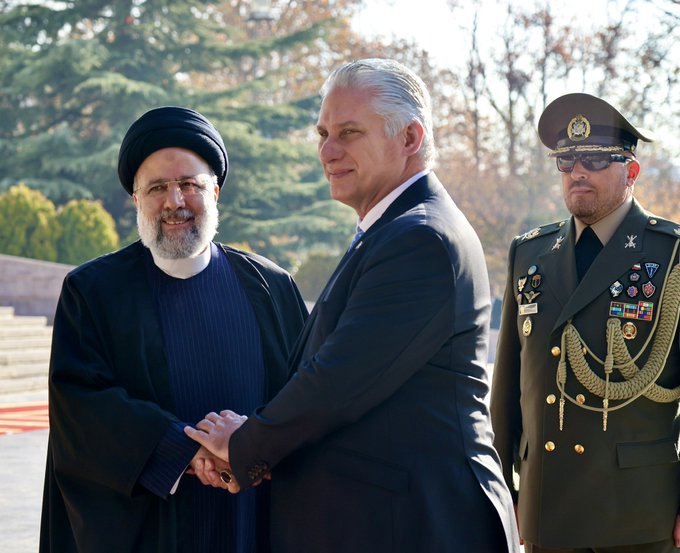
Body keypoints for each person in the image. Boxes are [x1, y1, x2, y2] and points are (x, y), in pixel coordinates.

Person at [185, 58, 520, 553]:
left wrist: (244, 445)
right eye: (321, 132)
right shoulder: (392, 229)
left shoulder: (421, 239)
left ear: (409, 138)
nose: (327, 150)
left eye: (348, 132)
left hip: (417, 525)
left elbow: (337, 381)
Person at [39, 106, 308, 553]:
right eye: (157, 188)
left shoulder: (272, 287)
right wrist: (184, 451)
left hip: (249, 519)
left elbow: (303, 396)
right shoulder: (93, 291)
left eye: (189, 184)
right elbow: (80, 409)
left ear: (216, 191)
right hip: (147, 527)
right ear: (136, 199)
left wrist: (251, 447)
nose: (174, 201)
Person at [491, 92, 680, 552]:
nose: (578, 171)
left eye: (595, 159)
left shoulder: (670, 254)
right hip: (545, 510)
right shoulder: (530, 253)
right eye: (567, 160)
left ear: (631, 171)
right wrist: (501, 492)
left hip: (637, 515)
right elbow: (508, 390)